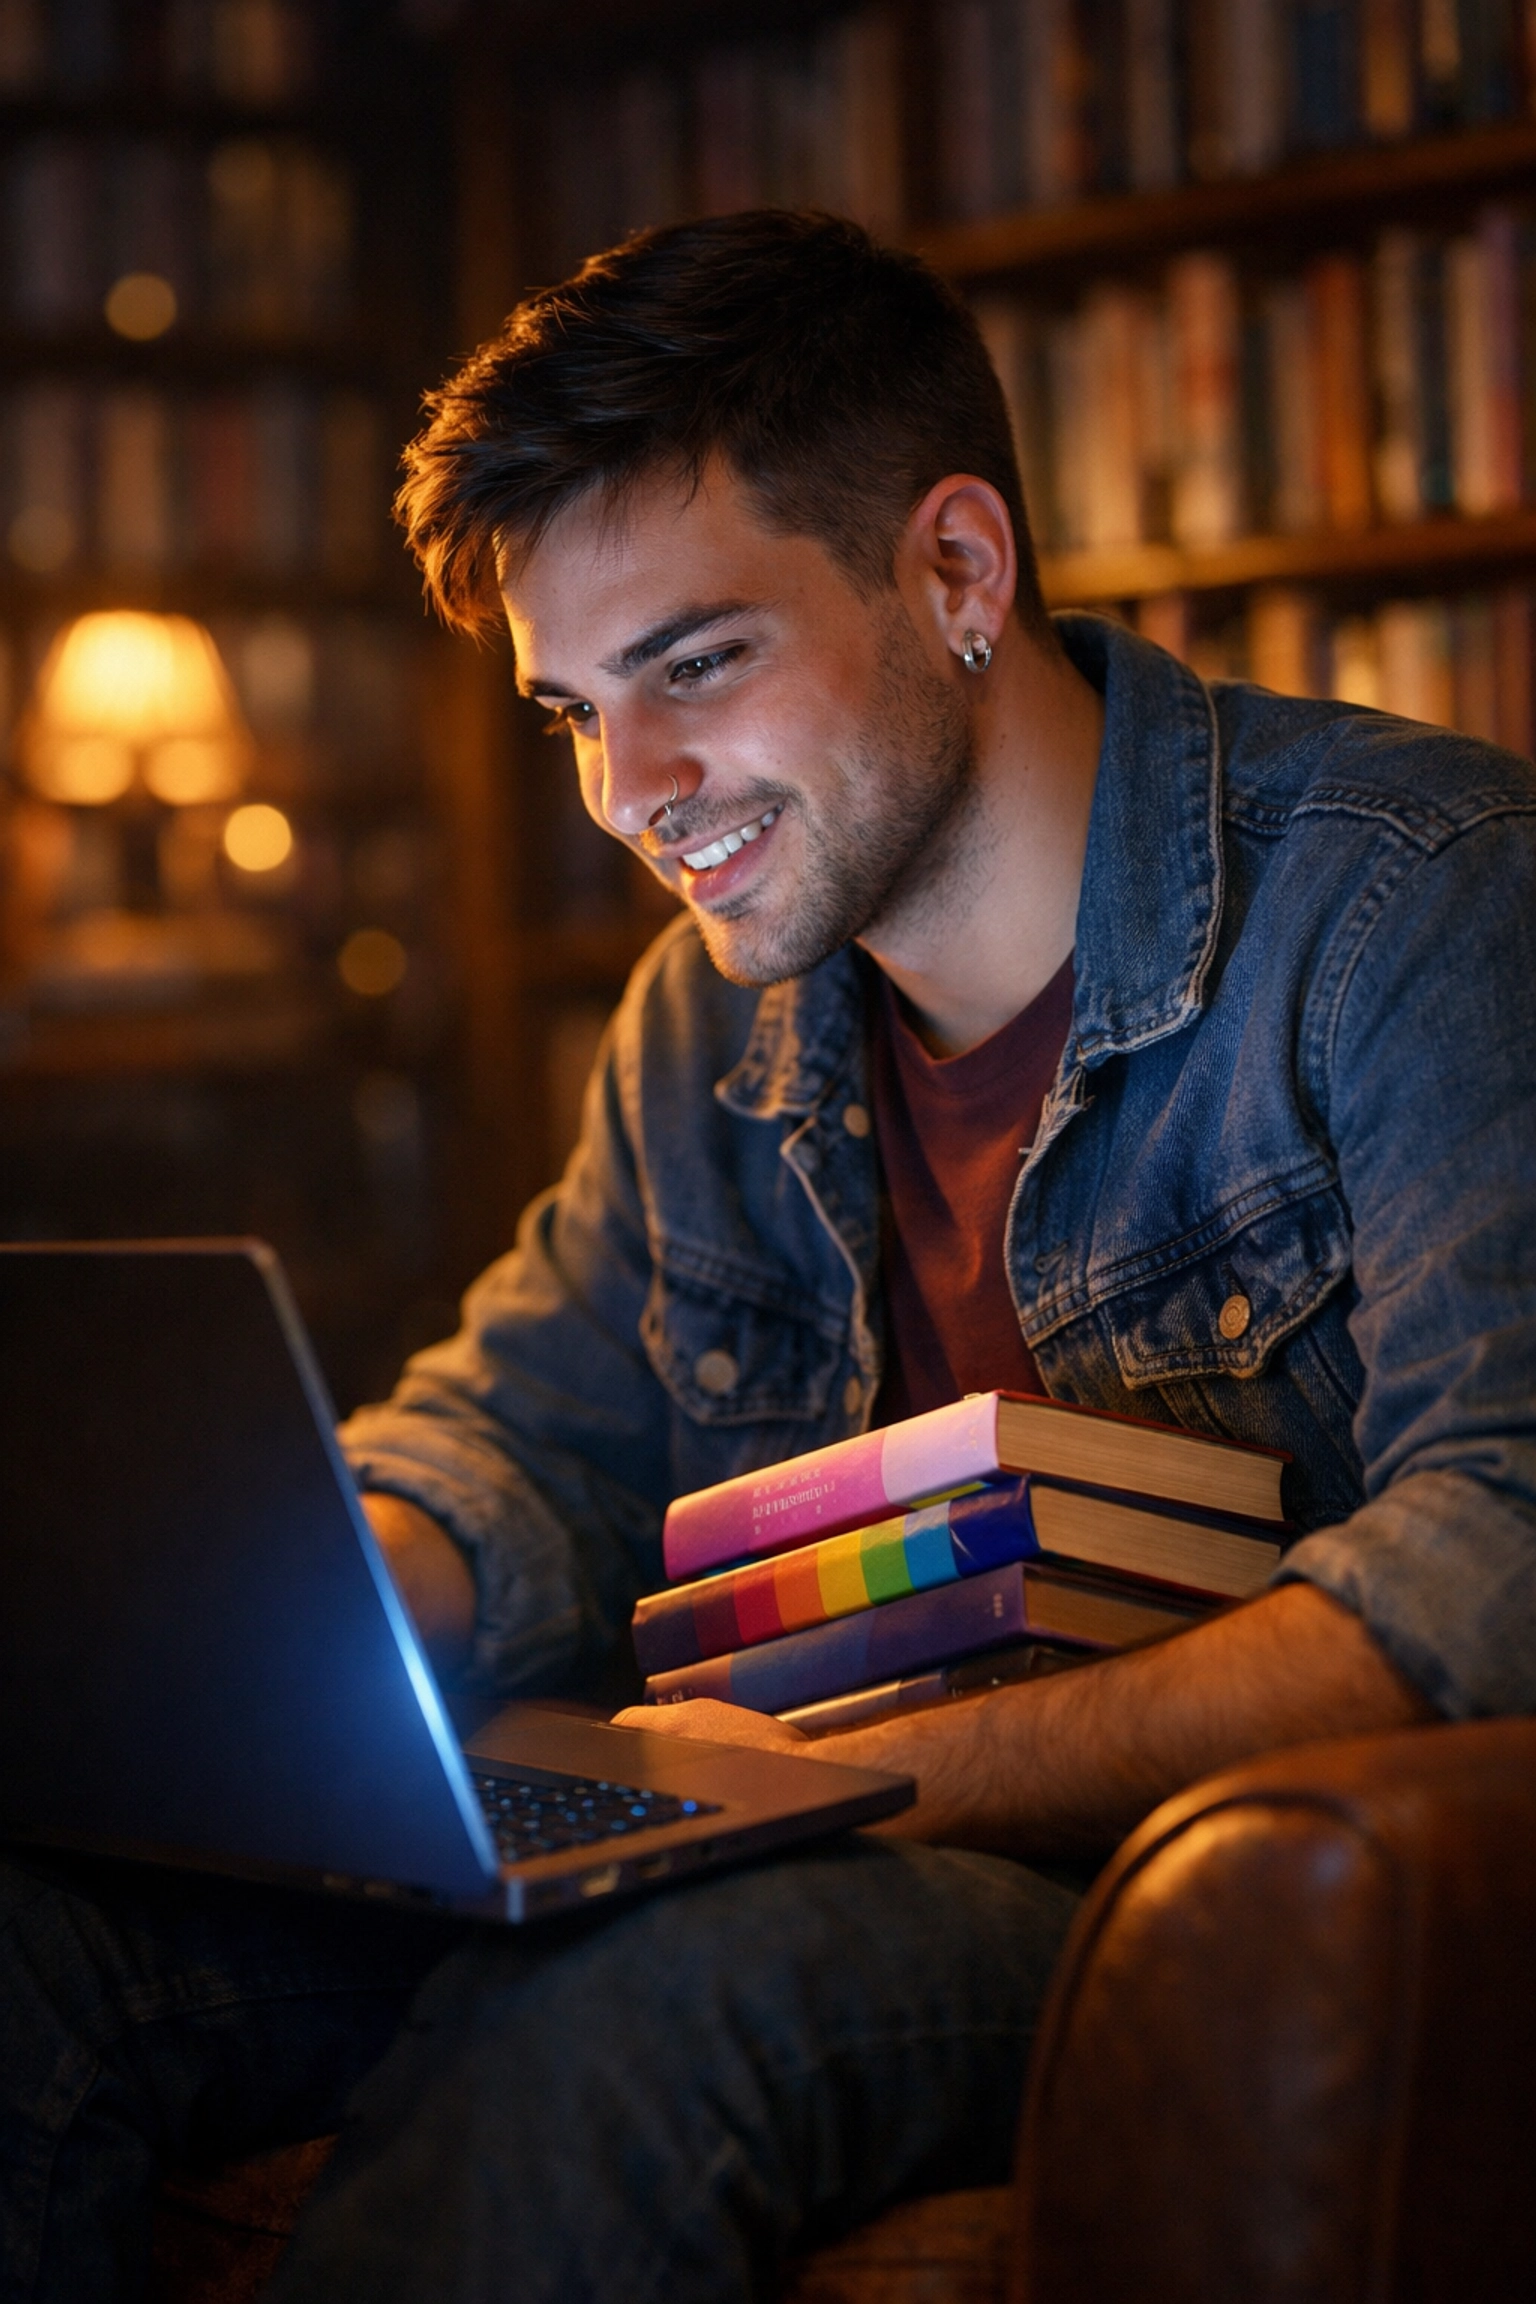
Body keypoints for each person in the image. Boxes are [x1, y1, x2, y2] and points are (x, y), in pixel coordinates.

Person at [3, 210, 1532, 2304]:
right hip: (806, 1826)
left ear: (959, 572)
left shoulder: (1415, 915)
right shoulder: (710, 1017)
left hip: (1160, 1896)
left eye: (695, 665)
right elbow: (532, 1431)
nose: (628, 795)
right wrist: (258, 1617)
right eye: (571, 712)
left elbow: (1504, 1555)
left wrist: (872, 1781)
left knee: (636, 1987)